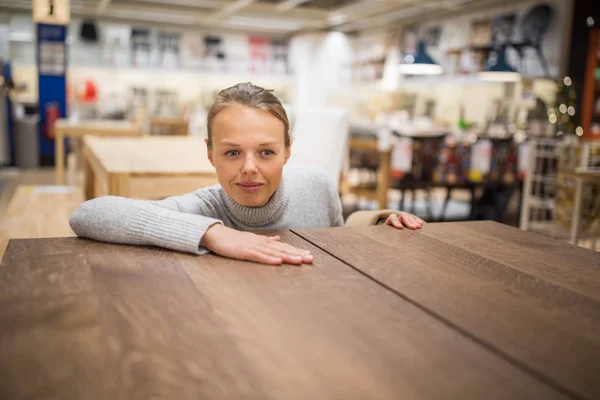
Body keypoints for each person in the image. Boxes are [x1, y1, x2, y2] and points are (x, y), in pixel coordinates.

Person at [70, 82, 424, 266]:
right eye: (232, 152)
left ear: (288, 151)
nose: (249, 168)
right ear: (210, 153)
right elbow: (88, 215)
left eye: (266, 152)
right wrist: (212, 234)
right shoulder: (201, 209)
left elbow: (336, 230)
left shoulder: (315, 183)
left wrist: (379, 219)